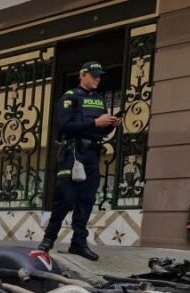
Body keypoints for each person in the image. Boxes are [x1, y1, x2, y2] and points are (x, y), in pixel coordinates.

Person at [38, 61, 121, 261]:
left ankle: (79, 243)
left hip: (92, 153)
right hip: (72, 153)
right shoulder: (70, 97)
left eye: (99, 76)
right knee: (65, 198)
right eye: (94, 75)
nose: (97, 79)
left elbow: (100, 130)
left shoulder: (99, 100)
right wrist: (95, 122)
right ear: (82, 75)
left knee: (86, 199)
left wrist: (110, 125)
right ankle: (47, 241)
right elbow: (65, 125)